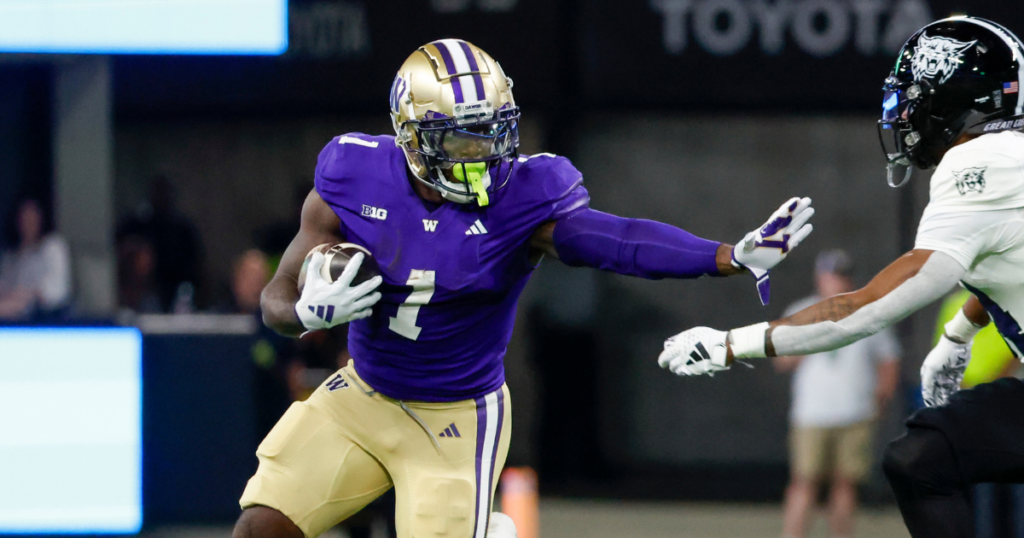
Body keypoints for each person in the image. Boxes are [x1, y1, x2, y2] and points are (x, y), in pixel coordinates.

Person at [236, 40, 816, 538]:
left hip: (454, 416)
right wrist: (307, 310)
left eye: (494, 133)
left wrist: (726, 257)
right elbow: (276, 298)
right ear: (413, 139)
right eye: (464, 141)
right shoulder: (352, 173)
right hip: (363, 394)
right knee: (260, 525)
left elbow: (617, 240)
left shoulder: (523, 196)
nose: (486, 154)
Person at [658, 16, 1024, 538]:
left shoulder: (982, 167)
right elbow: (1010, 259)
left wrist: (733, 343)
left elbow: (870, 307)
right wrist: (958, 334)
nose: (904, 113)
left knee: (922, 460)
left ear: (955, 95)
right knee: (923, 454)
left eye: (915, 96)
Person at [774, 249, 900, 538]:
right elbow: (781, 361)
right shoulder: (801, 310)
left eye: (842, 276)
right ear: (820, 278)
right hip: (812, 412)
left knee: (846, 483)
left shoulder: (867, 309)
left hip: (854, 410)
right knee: (805, 481)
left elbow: (889, 360)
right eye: (831, 276)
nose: (837, 282)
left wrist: (881, 398)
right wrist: (806, 341)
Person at [0, 198, 72, 320]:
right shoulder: (11, 256)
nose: (27, 223)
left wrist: (26, 296)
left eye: (32, 217)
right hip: (12, 320)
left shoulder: (53, 247)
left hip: (45, 320)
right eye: (23, 218)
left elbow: (57, 291)